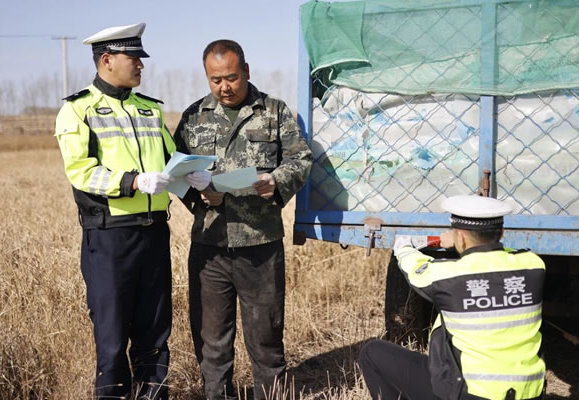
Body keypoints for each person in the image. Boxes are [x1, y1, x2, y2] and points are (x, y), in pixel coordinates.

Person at [173, 39, 313, 400]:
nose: (224, 87)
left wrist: (275, 181)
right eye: (215, 79)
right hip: (210, 248)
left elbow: (300, 160)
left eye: (232, 78)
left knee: (266, 341)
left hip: (260, 247)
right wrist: (199, 197)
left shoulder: (274, 112)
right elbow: (176, 172)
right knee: (212, 344)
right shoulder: (193, 117)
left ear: (246, 72)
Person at [54, 23, 176, 399]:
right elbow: (81, 171)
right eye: (133, 57)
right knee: (112, 337)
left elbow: (171, 160)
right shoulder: (78, 110)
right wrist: (132, 182)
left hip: (154, 232)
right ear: (107, 60)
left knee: (155, 334)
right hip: (110, 237)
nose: (141, 64)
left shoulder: (150, 109)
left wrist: (193, 175)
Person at [359, 195, 546, 400]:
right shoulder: (534, 266)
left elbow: (416, 268)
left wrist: (403, 248)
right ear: (501, 233)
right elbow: (501, 255)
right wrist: (463, 241)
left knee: (372, 352)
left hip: (472, 395)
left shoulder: (446, 275)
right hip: (530, 394)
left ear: (461, 237)